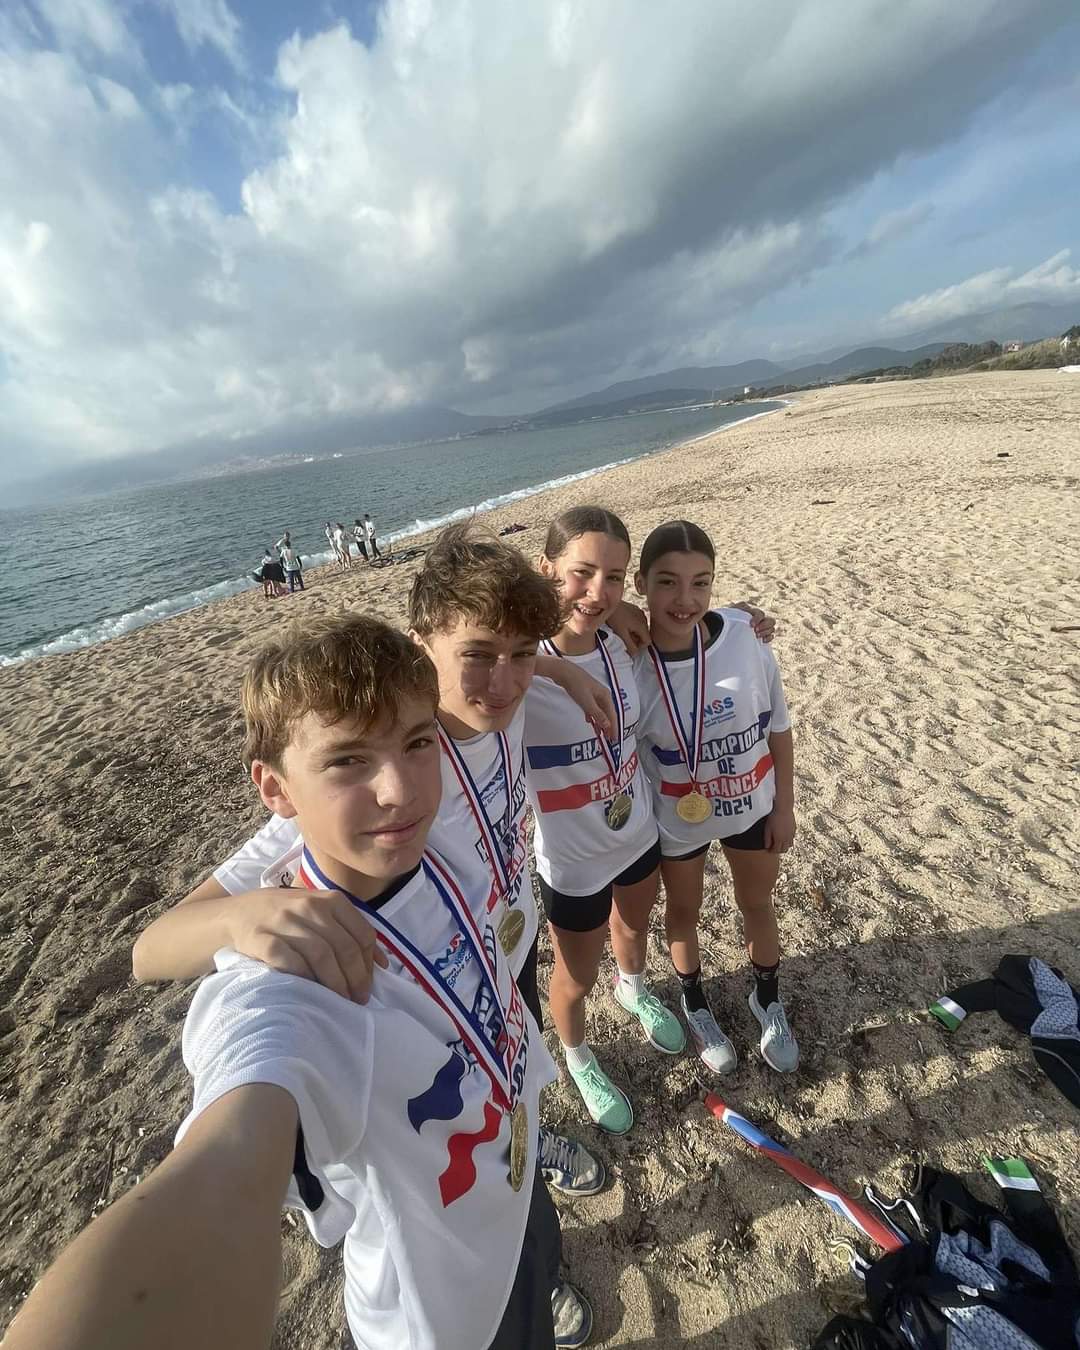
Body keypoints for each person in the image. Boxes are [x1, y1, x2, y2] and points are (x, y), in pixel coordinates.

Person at [9, 614, 583, 1350]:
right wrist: (234, 917)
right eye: (348, 761)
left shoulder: (426, 830)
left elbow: (487, 690)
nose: (398, 790)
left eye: (418, 743)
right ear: (277, 790)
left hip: (513, 1180)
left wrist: (563, 664)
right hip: (448, 1315)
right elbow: (226, 1158)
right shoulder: (292, 985)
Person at [523, 507, 683, 1136]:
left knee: (634, 928)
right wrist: (554, 666)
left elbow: (689, 624)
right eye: (581, 573)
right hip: (573, 860)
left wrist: (746, 619)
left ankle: (635, 988)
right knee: (575, 976)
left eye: (614, 578)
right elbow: (448, 665)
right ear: (545, 570)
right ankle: (579, 1055)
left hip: (637, 831)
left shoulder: (622, 645)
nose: (598, 592)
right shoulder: (519, 672)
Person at [633, 519, 799, 1074]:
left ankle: (766, 999)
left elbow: (778, 730)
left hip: (753, 808)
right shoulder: (629, 665)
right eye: (667, 582)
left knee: (758, 903)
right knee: (684, 912)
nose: (685, 600)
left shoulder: (746, 636)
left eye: (700, 583)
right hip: (678, 821)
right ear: (640, 584)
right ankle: (696, 1003)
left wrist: (784, 807)